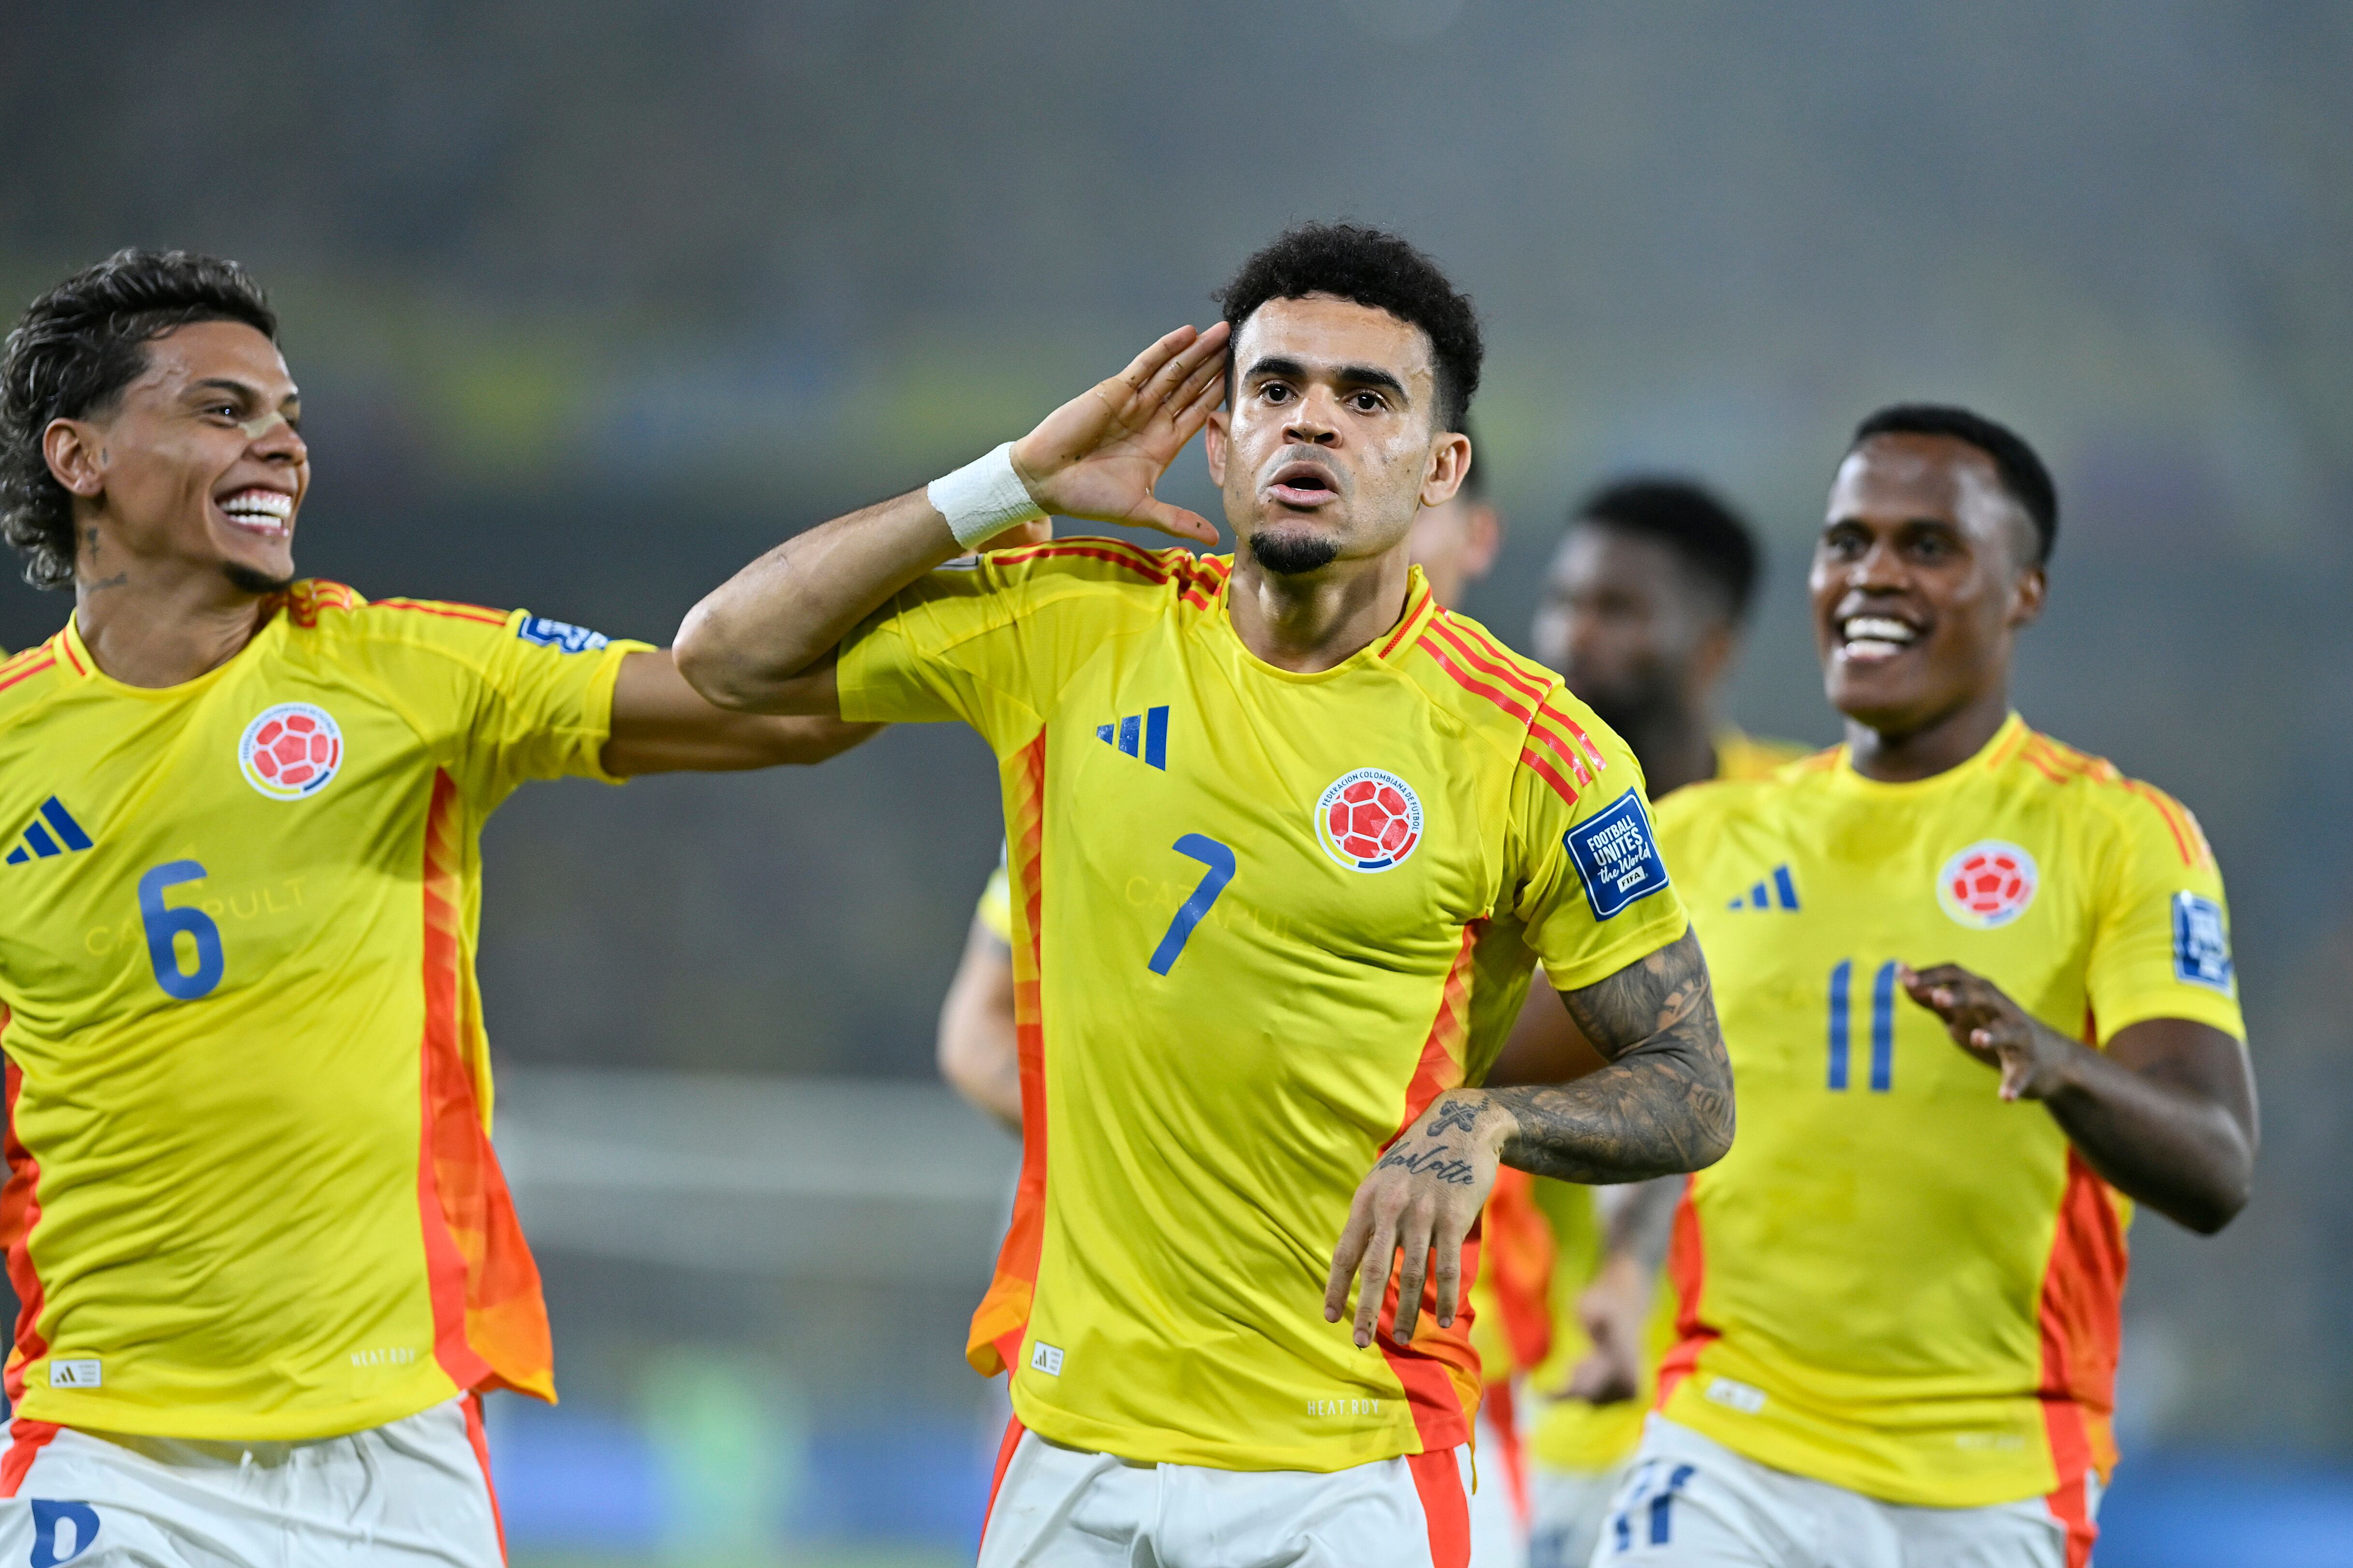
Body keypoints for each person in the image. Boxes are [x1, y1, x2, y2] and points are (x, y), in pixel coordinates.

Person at [675, 223, 1733, 1567]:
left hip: (1345, 1451)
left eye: (1366, 399)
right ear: (1219, 440)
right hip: (1073, 1435)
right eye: (1274, 388)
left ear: (1438, 470)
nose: (1312, 424)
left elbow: (1694, 1084)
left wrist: (1484, 1120)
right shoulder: (1070, 625)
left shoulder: (1535, 747)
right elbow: (724, 655)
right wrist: (1012, 478)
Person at [0, 249, 873, 1565]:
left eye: (290, 416)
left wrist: (996, 509)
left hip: (393, 1454)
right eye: (223, 410)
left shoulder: (403, 671)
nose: (282, 445)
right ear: (81, 456)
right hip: (112, 1448)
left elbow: (781, 713)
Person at [1587, 405, 2257, 1567]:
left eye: (1926, 546)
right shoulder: (1698, 839)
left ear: (2024, 593)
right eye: (1845, 542)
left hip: (1995, 1478)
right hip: (1730, 1447)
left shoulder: (2119, 838)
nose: (1872, 576)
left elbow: (2213, 1165)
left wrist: (2060, 1066)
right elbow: (1490, 1061)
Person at [936, 440, 1501, 1130]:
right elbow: (979, 1025)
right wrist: (1132, 1154)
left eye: (1405, 509)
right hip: (1087, 1217)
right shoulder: (1137, 727)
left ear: (1473, 529)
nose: (1370, 540)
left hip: (1416, 1230)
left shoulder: (1516, 762)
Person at [1477, 480, 1808, 1568]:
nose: (1576, 635)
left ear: (1708, 647)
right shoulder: (1498, 833)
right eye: (1564, 602)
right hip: (1549, 1383)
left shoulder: (1799, 831)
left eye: (1618, 609)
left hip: (1771, 1398)